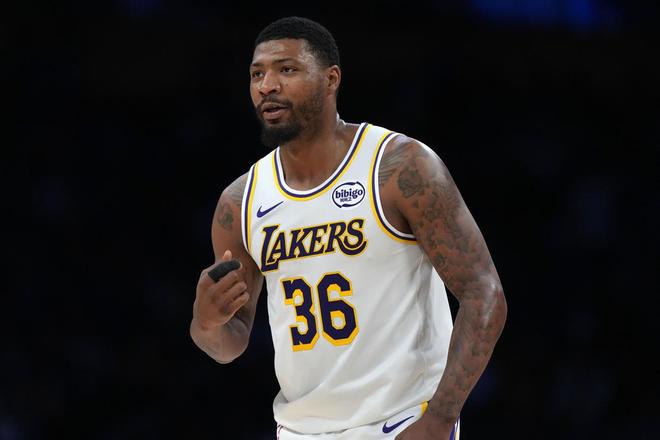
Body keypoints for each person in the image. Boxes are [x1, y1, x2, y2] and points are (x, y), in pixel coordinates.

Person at [190, 16, 507, 440]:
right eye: (257, 74)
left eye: (287, 69)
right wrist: (205, 324)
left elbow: (485, 294)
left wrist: (440, 418)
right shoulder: (239, 201)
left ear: (331, 79)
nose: (267, 85)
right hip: (299, 430)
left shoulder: (399, 167)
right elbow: (230, 345)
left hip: (401, 421)